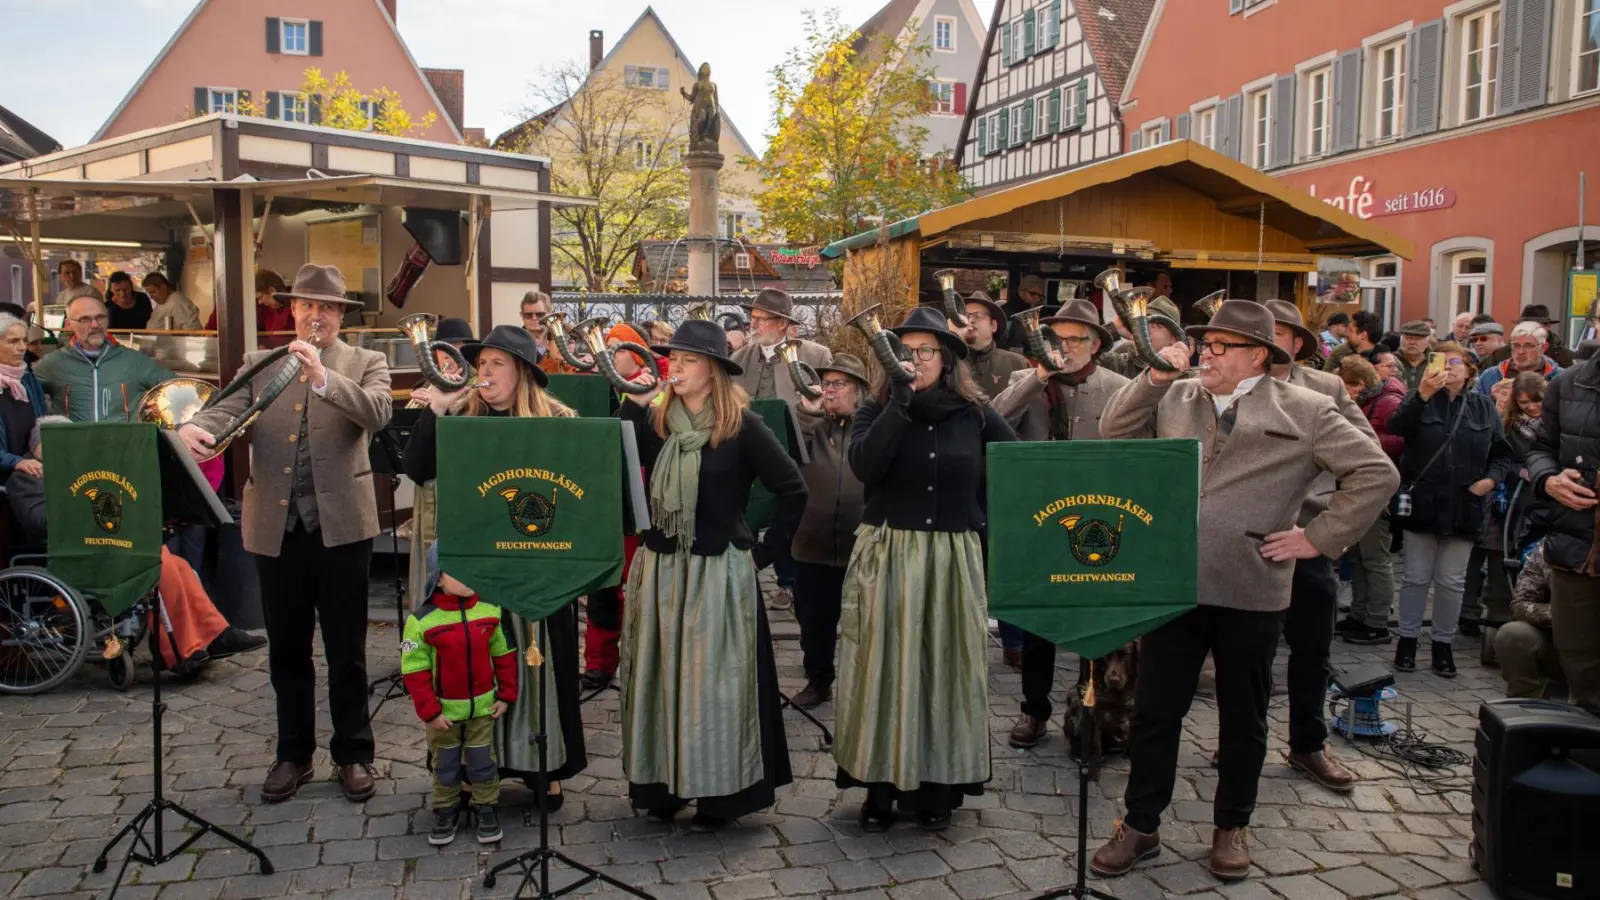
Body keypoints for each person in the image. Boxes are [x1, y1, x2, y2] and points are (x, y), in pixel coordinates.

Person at [1093, 301, 1396, 882]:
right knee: (1156, 712)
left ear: (1259, 354)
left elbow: (1376, 472)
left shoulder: (1306, 407)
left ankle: (1231, 824)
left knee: (1244, 717)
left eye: (1221, 346)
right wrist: (1154, 377)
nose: (1205, 353)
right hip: (1174, 583)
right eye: (1204, 344)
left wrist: (1317, 537)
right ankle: (1140, 824)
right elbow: (1113, 429)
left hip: (1252, 587)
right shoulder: (1177, 394)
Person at [178, 264, 392, 804]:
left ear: (341, 315)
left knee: (347, 650)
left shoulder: (366, 362)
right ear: (292, 310)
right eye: (307, 305)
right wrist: (196, 427)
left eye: (327, 307)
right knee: (288, 651)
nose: (316, 315)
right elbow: (226, 409)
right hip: (276, 526)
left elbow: (378, 414)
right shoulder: (261, 362)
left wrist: (323, 378)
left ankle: (354, 753)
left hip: (342, 527)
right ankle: (293, 754)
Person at [615, 318, 805, 831]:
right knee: (659, 678)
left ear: (714, 371)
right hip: (661, 569)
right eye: (673, 358)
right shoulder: (653, 421)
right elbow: (614, 469)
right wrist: (632, 407)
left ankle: (719, 795)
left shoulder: (743, 427)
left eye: (688, 360)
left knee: (715, 686)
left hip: (717, 574)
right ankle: (661, 786)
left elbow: (793, 489)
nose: (675, 368)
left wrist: (762, 554)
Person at [835, 306, 1016, 833]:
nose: (916, 359)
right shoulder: (875, 409)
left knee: (946, 669)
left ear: (947, 359)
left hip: (952, 558)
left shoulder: (975, 414)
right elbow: (865, 466)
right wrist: (900, 401)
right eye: (905, 351)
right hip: (889, 553)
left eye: (926, 350)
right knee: (883, 671)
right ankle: (880, 789)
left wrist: (984, 521)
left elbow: (1020, 464)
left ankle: (939, 788)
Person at [403, 325, 588, 806]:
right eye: (481, 363)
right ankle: (472, 766)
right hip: (475, 566)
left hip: (537, 564)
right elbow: (417, 469)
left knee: (537, 663)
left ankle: (543, 767)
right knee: (473, 664)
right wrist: (437, 410)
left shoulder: (558, 420)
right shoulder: (461, 415)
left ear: (522, 373)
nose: (483, 371)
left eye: (495, 363)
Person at [8, 416, 264, 675]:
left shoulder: (79, 471)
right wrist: (76, 503)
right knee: (159, 566)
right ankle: (178, 650)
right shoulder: (26, 478)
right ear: (38, 446)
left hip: (105, 548)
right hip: (70, 555)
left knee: (177, 565)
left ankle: (215, 634)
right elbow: (38, 522)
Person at [990, 298, 1130, 748]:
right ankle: (1034, 710)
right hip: (1038, 517)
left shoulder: (1119, 387)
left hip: (1098, 519)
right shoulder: (1025, 380)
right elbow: (992, 419)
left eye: (1074, 339)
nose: (1064, 346)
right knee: (1038, 623)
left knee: (1097, 621)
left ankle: (1099, 712)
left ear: (1096, 345)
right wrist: (1039, 377)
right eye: (1057, 338)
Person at [1264, 300, 1377, 793]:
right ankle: (1239, 738)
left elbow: (1367, 454)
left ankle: (1308, 744)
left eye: (1279, 333)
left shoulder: (1325, 387)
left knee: (1312, 648)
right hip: (1249, 539)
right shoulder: (1230, 385)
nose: (1269, 341)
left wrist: (1327, 528)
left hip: (1307, 537)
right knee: (1246, 652)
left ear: (1297, 343)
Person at [1386, 341, 1514, 677]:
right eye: (1442, 361)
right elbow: (1396, 427)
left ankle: (1443, 645)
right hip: (1423, 503)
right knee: (1415, 578)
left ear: (1470, 371)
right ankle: (1407, 642)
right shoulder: (1421, 399)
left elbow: (1502, 454)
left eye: (1456, 362)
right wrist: (1422, 394)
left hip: (1464, 505)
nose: (1449, 368)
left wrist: (1490, 481)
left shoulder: (1483, 407)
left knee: (1452, 581)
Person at [402, 561, 517, 847]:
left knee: (483, 762)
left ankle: (486, 807)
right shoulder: (422, 620)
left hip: (482, 710)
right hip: (444, 714)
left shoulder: (490, 610)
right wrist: (430, 711)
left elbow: (504, 654)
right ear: (438, 578)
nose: (467, 577)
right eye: (457, 570)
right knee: (445, 764)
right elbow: (414, 670)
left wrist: (506, 695)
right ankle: (446, 809)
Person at [730, 288, 831, 612]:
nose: (754, 324)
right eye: (753, 318)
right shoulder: (739, 358)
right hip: (747, 456)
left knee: (788, 519)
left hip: (794, 451)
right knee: (745, 516)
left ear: (783, 324)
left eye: (762, 319)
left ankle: (787, 583)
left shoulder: (816, 355)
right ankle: (740, 577)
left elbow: (828, 407)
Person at [787, 353, 870, 710]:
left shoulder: (871, 428)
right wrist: (808, 413)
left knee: (864, 623)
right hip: (811, 543)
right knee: (814, 623)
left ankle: (864, 685)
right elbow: (786, 452)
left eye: (840, 383)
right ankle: (818, 681)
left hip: (861, 547)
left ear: (859, 390)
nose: (830, 390)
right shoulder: (809, 426)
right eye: (826, 383)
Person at [579, 322, 656, 689]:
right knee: (602, 585)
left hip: (640, 501)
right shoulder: (597, 388)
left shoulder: (652, 387)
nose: (608, 355)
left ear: (638, 355)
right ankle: (599, 660)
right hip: (604, 498)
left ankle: (639, 660)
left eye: (618, 348)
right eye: (605, 347)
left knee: (635, 583)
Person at [1524, 342, 1600, 715]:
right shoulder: (1568, 383)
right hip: (1575, 551)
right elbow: (1540, 448)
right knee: (1582, 671)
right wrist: (1548, 479)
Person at [1468, 372, 1549, 655]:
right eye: (1525, 403)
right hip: (1511, 504)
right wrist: (1519, 471)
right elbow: (1501, 458)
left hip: (1545, 505)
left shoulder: (1558, 426)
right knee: (1502, 560)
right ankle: (1499, 620)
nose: (1532, 407)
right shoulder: (1510, 427)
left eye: (1537, 401)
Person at [1336, 355, 1406, 645]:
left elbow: (1401, 441)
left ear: (1360, 384)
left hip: (1377, 492)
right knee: (1358, 556)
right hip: (1358, 488)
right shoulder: (1367, 402)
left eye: (1347, 386)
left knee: (1375, 558)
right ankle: (1359, 614)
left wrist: (1364, 441)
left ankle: (1377, 622)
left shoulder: (1388, 402)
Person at [34, 295, 175, 421]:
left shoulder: (133, 360)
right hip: (74, 442)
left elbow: (177, 388)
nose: (95, 325)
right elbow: (24, 392)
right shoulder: (54, 363)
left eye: (100, 317)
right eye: (85, 319)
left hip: (124, 442)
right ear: (69, 324)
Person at [1494, 542, 1560, 697]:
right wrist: (1565, 616)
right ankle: (1534, 696)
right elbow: (1520, 604)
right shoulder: (1549, 548)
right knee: (1512, 635)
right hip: (1558, 637)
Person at [0, 314, 45, 483]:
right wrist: (17, 462)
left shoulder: (27, 379)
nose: (22, 347)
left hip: (30, 476)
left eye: (24, 340)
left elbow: (41, 419)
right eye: (13, 341)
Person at [959, 291, 1030, 398]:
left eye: (978, 315)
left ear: (993, 326)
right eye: (966, 315)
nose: (970, 320)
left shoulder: (1017, 364)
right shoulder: (949, 361)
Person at [1099, 296, 1184, 380]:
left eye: (1156, 325)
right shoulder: (1119, 364)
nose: (1145, 328)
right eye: (1143, 322)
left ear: (1173, 339)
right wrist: (1113, 328)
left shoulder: (1183, 375)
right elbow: (1091, 351)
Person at [205, 269, 295, 348]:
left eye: (260, 297)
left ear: (271, 290)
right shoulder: (271, 308)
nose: (259, 302)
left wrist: (268, 349)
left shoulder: (291, 307)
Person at [1478, 322, 1560, 393]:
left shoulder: (1559, 377)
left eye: (1528, 346)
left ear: (1543, 348)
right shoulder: (1490, 376)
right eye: (1516, 345)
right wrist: (1493, 398)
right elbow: (1475, 404)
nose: (1521, 352)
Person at [1490, 305, 1574, 368]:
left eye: (1535, 325)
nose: (1529, 328)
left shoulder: (1566, 356)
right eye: (1525, 325)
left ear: (1547, 326)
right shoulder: (1500, 354)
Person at [517, 291, 575, 376]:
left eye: (540, 314)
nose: (534, 318)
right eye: (528, 315)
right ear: (522, 315)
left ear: (550, 314)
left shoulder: (567, 337)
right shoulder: (513, 344)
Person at [1000, 274, 1050, 352]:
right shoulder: (1005, 312)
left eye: (1041, 296)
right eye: (1033, 294)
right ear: (1022, 292)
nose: (1037, 299)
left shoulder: (1042, 312)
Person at [1392, 320, 1433, 392]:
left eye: (1418, 339)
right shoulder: (1391, 361)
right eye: (1408, 338)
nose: (1412, 342)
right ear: (1401, 341)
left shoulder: (1434, 362)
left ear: (1427, 343)